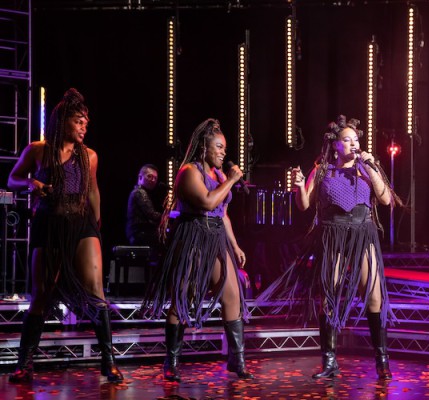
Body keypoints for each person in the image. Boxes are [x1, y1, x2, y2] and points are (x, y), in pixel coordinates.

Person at [258, 115, 402, 380]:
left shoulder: (367, 168)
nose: (352, 144)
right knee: (329, 296)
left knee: (373, 296)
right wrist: (300, 187)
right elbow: (304, 205)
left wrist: (371, 165)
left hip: (362, 232)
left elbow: (384, 199)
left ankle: (382, 361)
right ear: (335, 145)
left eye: (356, 140)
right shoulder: (322, 170)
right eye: (346, 140)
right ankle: (330, 361)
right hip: (332, 233)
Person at [7, 88, 123, 383]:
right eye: (79, 121)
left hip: (82, 223)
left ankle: (108, 362)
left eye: (87, 122)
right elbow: (12, 178)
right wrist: (32, 182)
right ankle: (25, 364)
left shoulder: (90, 156)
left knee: (97, 293)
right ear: (63, 121)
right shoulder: (38, 150)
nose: (85, 126)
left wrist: (97, 226)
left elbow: (93, 189)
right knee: (41, 296)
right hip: (49, 224)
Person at [142, 118, 253, 381]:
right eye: (219, 147)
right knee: (182, 299)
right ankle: (172, 361)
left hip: (216, 236)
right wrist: (233, 180)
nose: (224, 152)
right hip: (193, 236)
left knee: (232, 296)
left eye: (225, 147)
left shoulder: (220, 176)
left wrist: (235, 246)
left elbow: (222, 213)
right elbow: (206, 201)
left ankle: (236, 360)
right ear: (204, 148)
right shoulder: (189, 172)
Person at [126, 164, 162, 249]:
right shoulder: (139, 192)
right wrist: (168, 216)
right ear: (140, 177)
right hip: (140, 234)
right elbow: (151, 215)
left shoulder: (141, 192)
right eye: (150, 176)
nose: (153, 180)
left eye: (155, 178)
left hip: (140, 233)